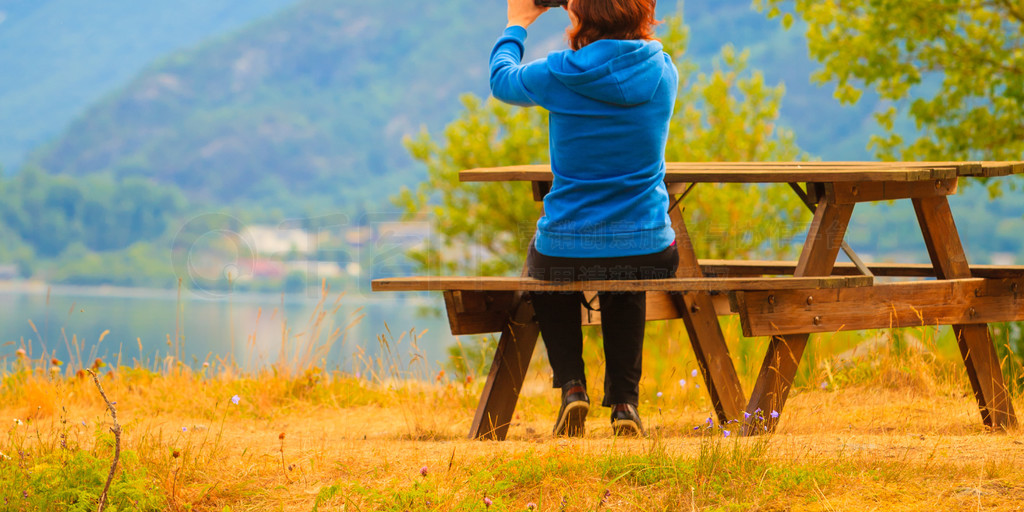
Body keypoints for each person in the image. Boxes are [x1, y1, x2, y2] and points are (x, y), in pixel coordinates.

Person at [490, 0, 679, 437]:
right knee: (626, 269)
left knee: (547, 262)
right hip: (650, 247)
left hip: (566, 251)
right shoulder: (663, 72)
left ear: (579, 15)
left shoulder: (558, 74)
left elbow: (501, 80)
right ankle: (625, 403)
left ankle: (573, 387)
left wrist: (517, 24)